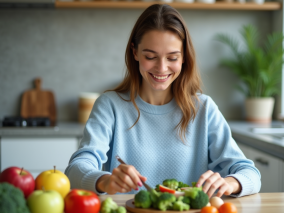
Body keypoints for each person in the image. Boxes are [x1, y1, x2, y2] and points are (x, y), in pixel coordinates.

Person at [65, 4, 261, 198]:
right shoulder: (110, 105)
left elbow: (251, 174)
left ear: (184, 56)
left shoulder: (203, 109)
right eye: (150, 56)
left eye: (172, 57)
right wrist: (104, 180)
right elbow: (75, 170)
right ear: (135, 52)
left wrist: (229, 182)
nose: (161, 68)